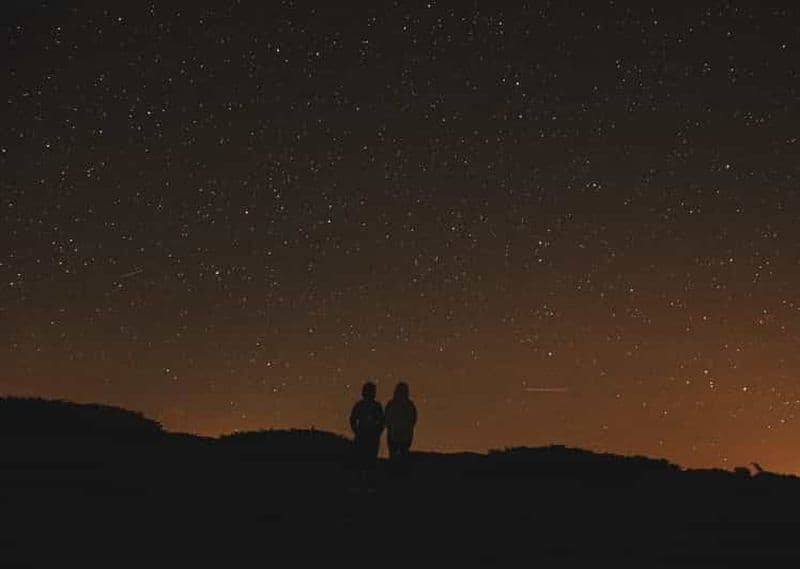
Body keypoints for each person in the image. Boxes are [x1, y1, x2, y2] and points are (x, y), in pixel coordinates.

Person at [349, 381, 384, 484]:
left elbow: (353, 419)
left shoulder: (363, 405)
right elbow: (353, 419)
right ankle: (365, 483)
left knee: (365, 460)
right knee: (366, 460)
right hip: (366, 435)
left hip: (367, 435)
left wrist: (356, 430)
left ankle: (364, 483)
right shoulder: (375, 406)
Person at [384, 382, 417, 468]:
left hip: (399, 434)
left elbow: (413, 419)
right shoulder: (409, 405)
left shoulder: (394, 404)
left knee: (400, 454)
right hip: (400, 434)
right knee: (400, 454)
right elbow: (413, 419)